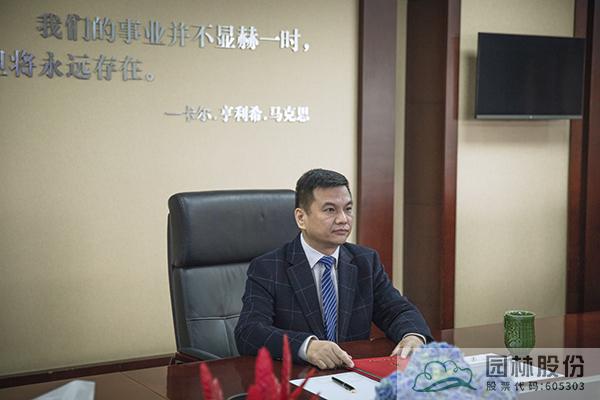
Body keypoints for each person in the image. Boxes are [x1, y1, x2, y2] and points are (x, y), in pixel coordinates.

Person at [234, 169, 432, 369]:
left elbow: (396, 311)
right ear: (301, 218)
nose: (343, 219)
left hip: (352, 373)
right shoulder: (268, 268)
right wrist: (307, 347)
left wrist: (413, 336)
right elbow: (249, 331)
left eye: (348, 209)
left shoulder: (365, 261)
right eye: (330, 210)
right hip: (298, 377)